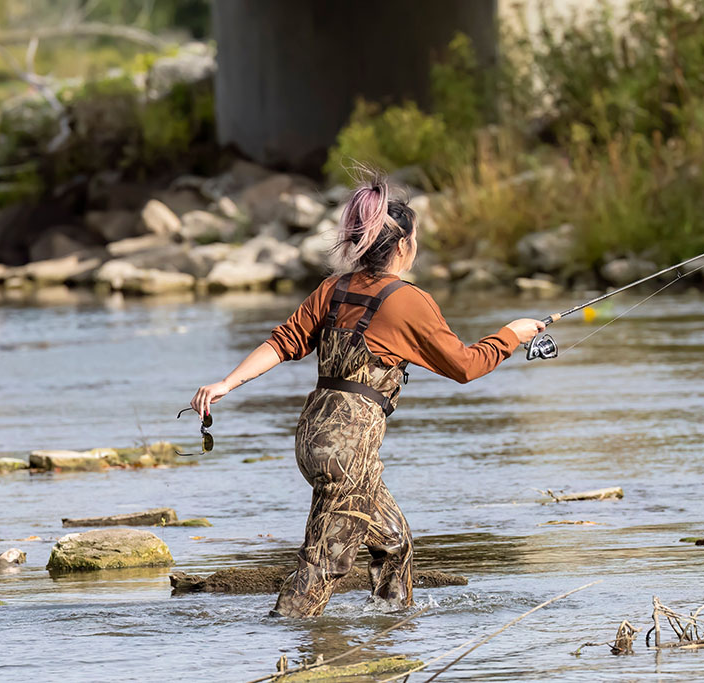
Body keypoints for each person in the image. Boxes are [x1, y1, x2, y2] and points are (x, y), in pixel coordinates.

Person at [189, 172, 545, 618]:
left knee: (394, 542)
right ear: (402, 246)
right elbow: (466, 366)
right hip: (349, 449)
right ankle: (286, 647)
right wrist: (511, 334)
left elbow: (283, 342)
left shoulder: (333, 288)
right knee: (321, 565)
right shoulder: (408, 300)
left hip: (313, 435)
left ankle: (389, 630)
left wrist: (228, 382)